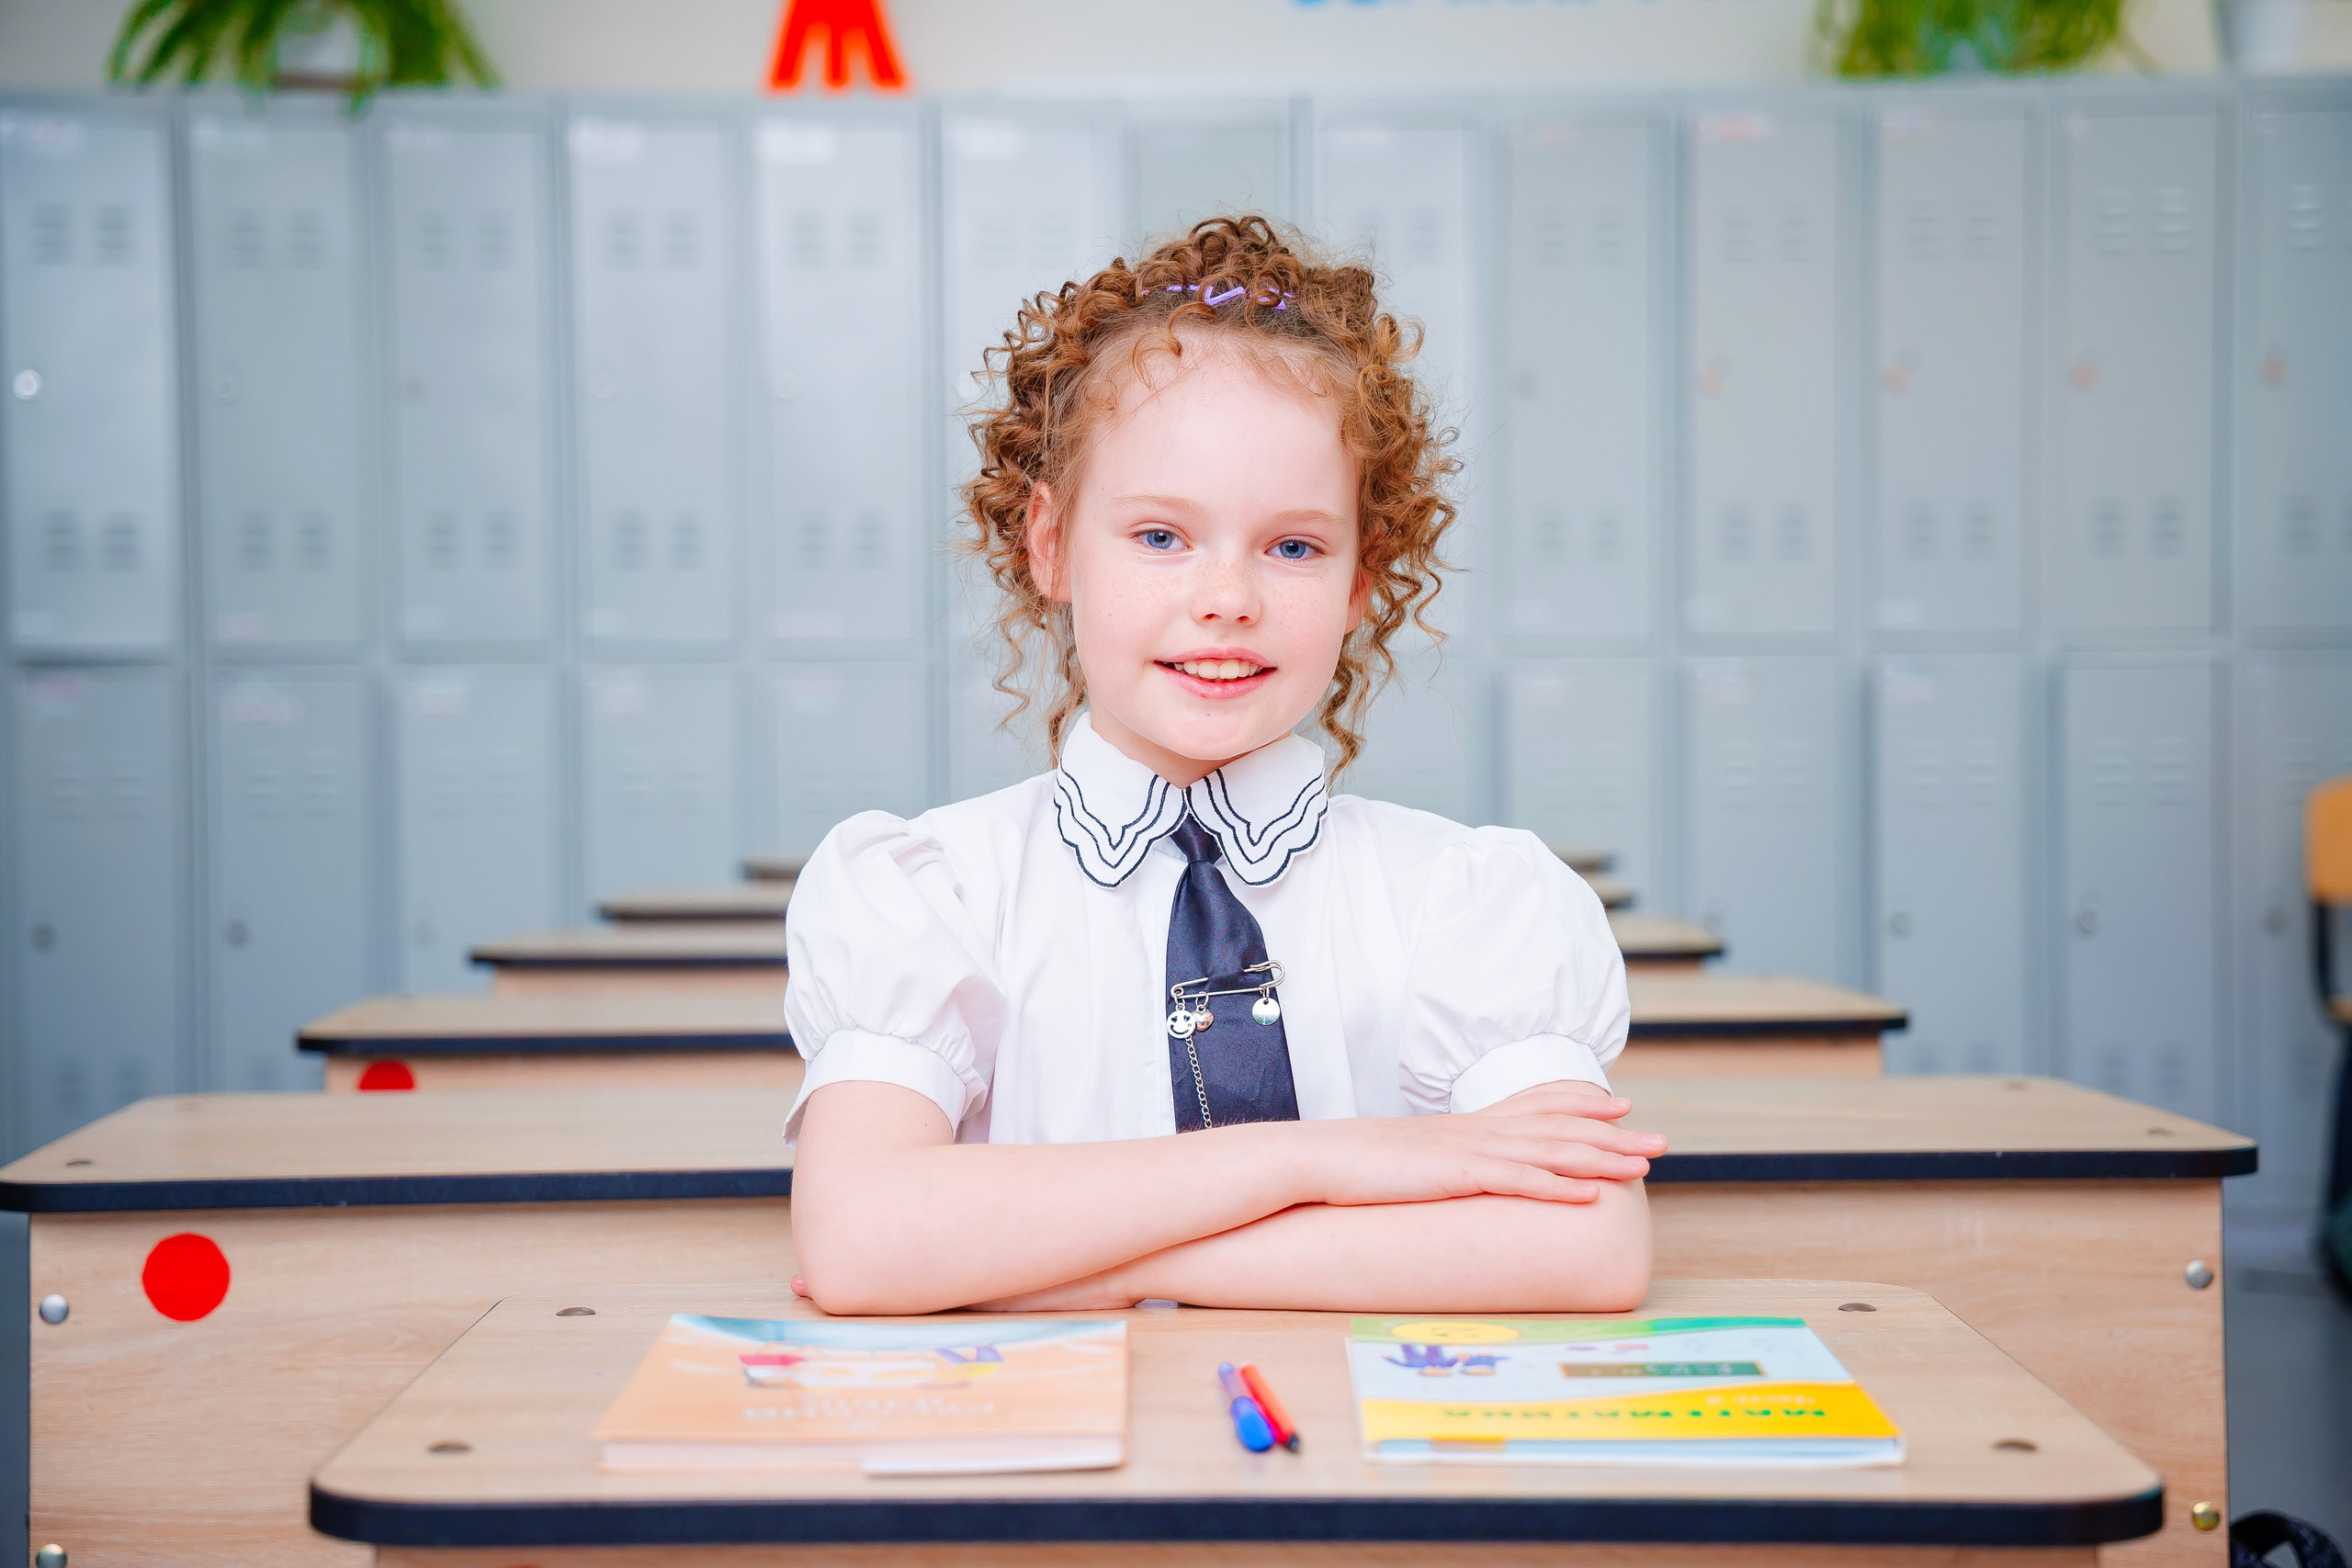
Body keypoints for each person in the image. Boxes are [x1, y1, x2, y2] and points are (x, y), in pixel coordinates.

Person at [786, 215, 1660, 1315]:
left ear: (1359, 581)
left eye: (1293, 546)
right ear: (1049, 545)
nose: (1228, 598)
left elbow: (1593, 1249)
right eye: (1160, 536)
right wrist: (1318, 1163)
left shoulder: (1461, 902)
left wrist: (1067, 1267)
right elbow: (864, 1242)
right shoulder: (936, 894)